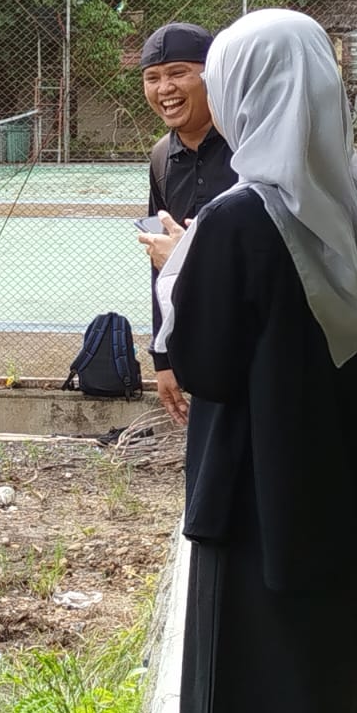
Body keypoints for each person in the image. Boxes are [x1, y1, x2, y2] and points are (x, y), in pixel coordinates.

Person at [146, 8, 357, 713]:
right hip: (334, 496)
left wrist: (175, 266)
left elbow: (209, 365)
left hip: (249, 503)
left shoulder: (239, 219)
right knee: (323, 691)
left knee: (243, 707)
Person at [140, 22, 236, 424]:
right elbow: (160, 265)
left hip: (260, 338)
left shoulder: (248, 145)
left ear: (211, 75)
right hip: (200, 343)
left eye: (179, 73)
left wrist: (188, 254)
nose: (165, 89)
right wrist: (164, 356)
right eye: (153, 78)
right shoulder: (162, 158)